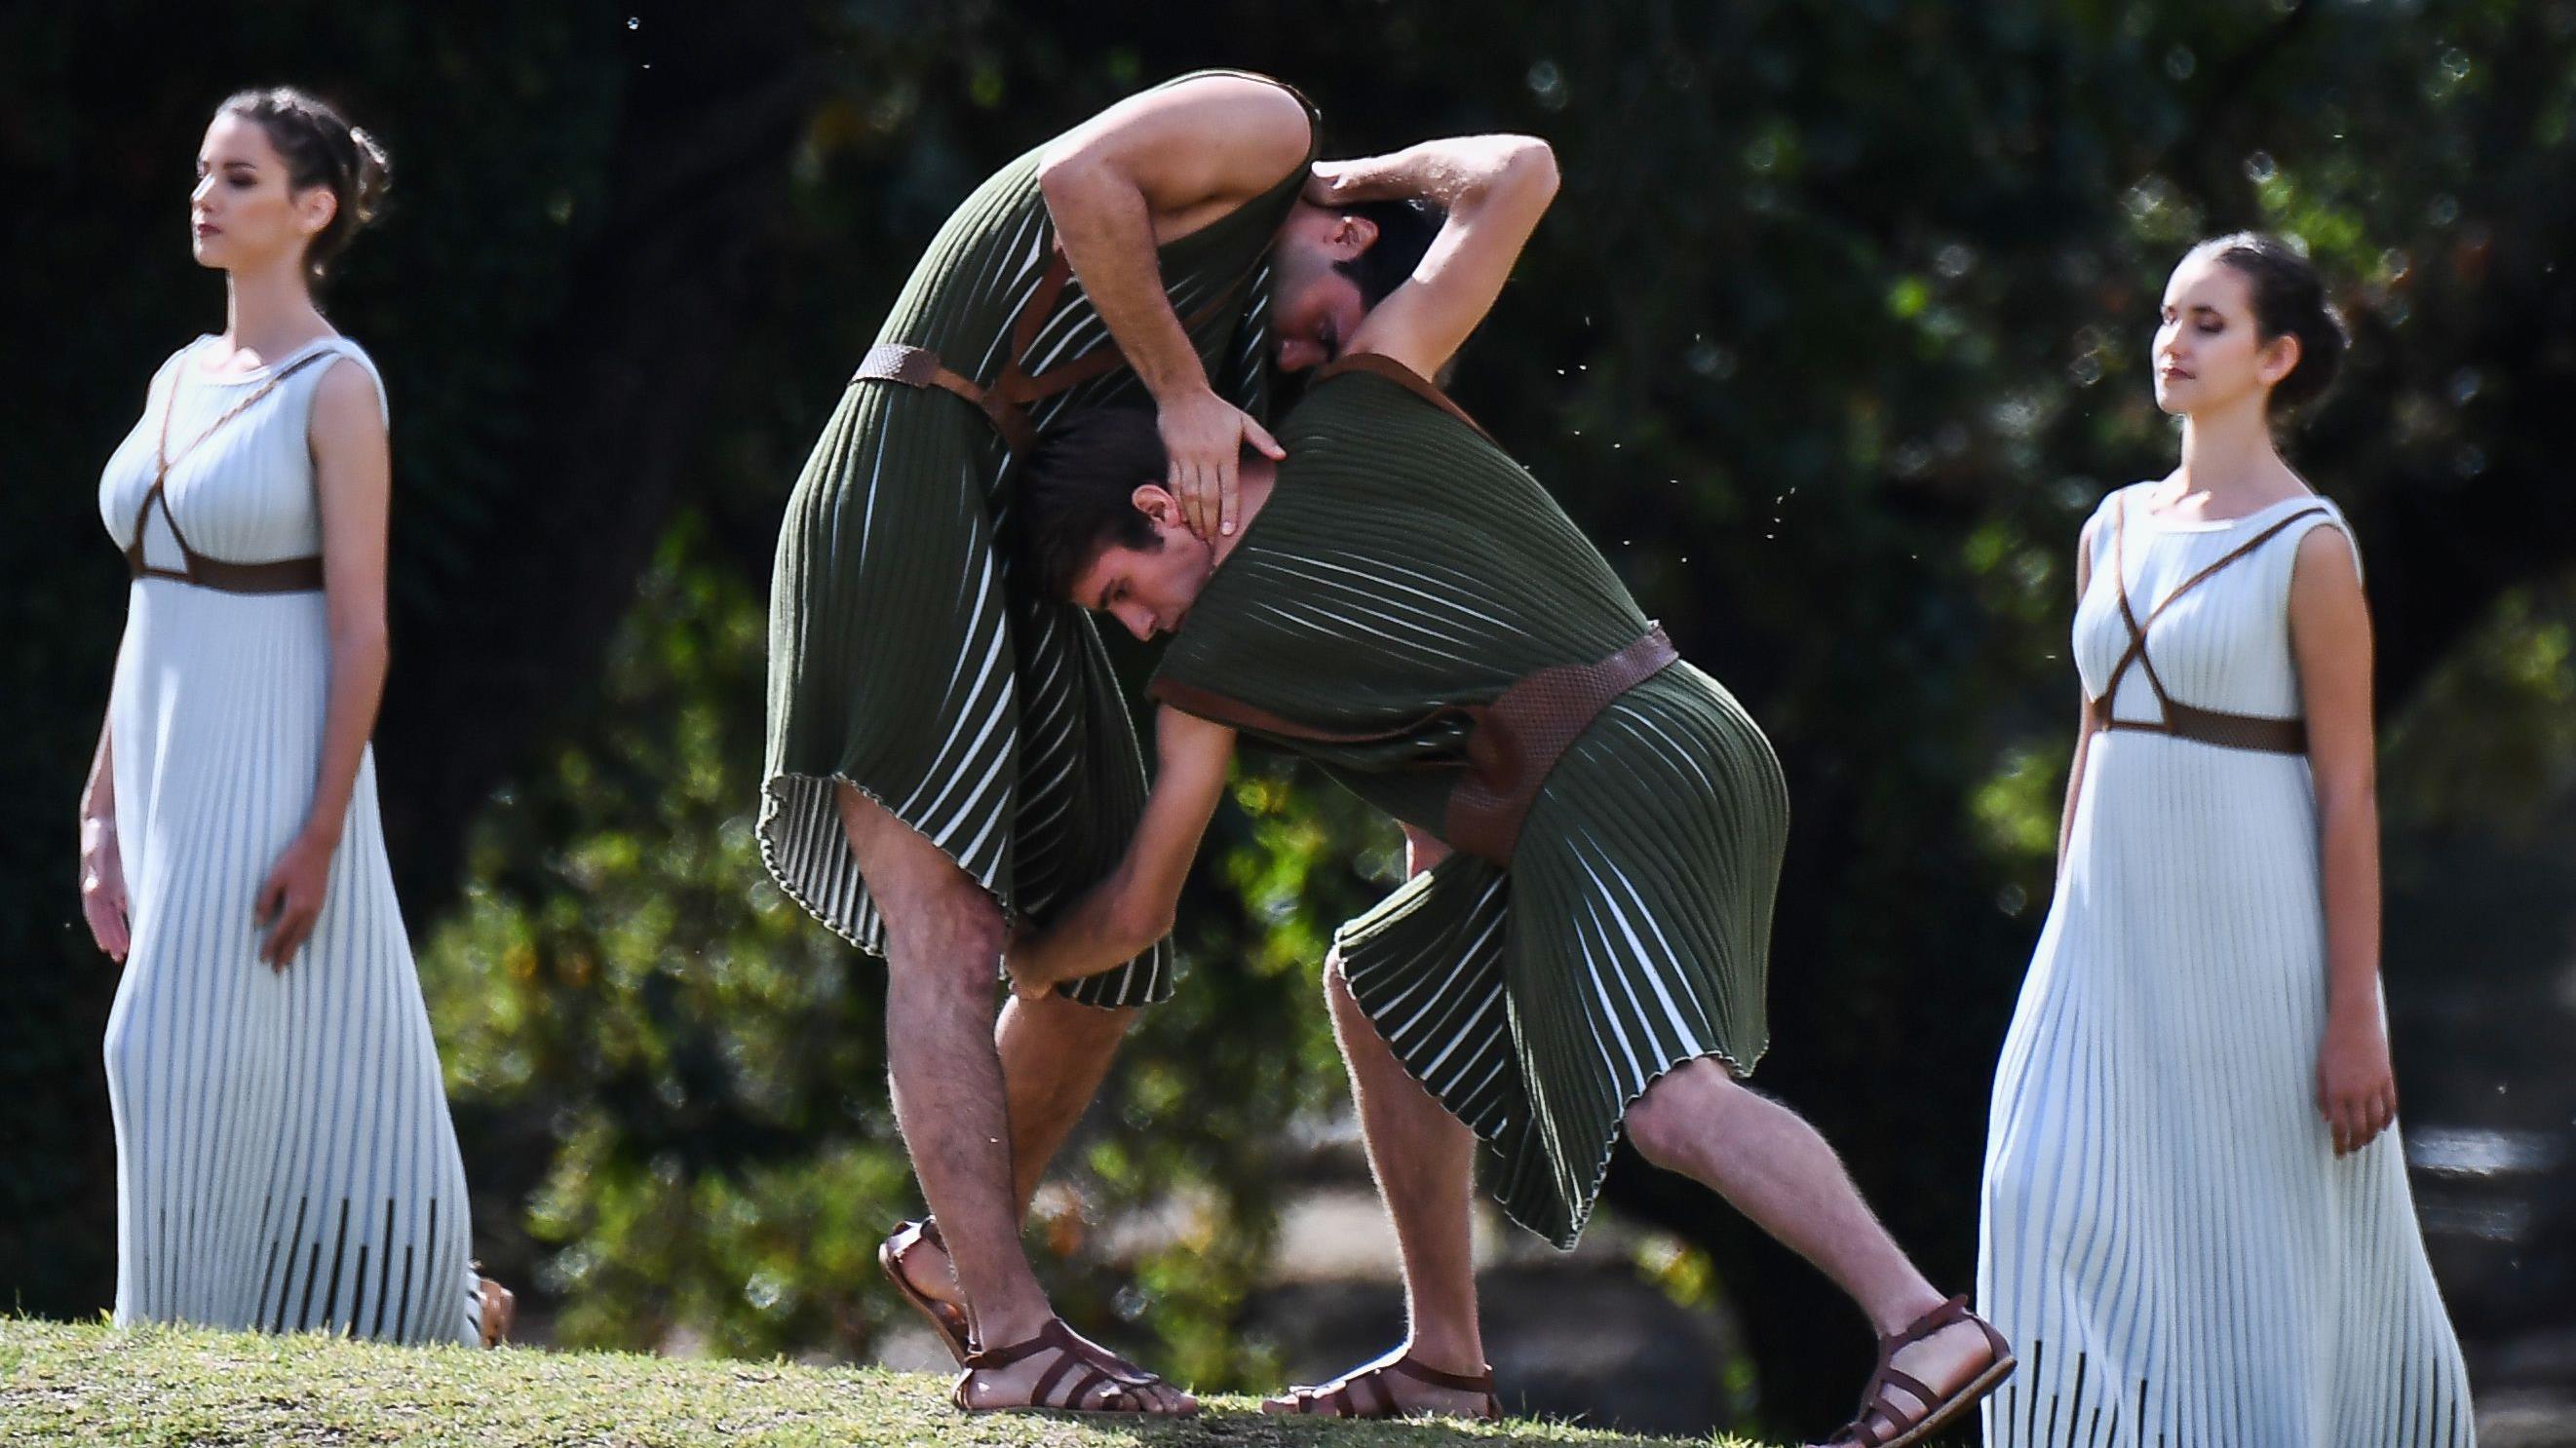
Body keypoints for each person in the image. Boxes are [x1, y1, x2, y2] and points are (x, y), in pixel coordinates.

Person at [1001, 288, 2017, 1443]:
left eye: (1121, 594)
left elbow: (1140, 910)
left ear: (1161, 509)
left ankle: (1923, 1321)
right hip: (1678, 727)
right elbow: (1503, 194)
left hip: (1614, 768)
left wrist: (1030, 959)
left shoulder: (1215, 657)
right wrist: (1356, 199)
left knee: (1672, 1107)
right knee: (1375, 986)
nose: (1137, 629)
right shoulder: (1357, 404)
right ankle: (1444, 1357)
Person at [759, 58, 1557, 1413]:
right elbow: (1082, 177)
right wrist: (1324, 201)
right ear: (1341, 233)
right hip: (916, 467)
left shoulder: (1256, 389)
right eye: (1322, 327)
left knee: (1107, 950)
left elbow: (1523, 182)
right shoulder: (1264, 130)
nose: (1302, 362)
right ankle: (1013, 1341)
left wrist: (1441, 810)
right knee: (946, 927)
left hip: (1026, 539)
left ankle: (958, 1259)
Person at [1977, 234, 2474, 1445]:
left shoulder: (2311, 547)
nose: (2172, 342)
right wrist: (2067, 926)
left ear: (2276, 356)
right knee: (2030, 1187)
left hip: (2260, 947)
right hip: (2108, 941)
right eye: (2167, 317)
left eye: (2208, 322)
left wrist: (2353, 1014)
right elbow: (2091, 740)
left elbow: (2348, 790)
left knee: (2260, 1251)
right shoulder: (2110, 529)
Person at [79, 87, 510, 1346]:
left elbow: (361, 629)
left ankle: (164, 1334)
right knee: (218, 1055)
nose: (205, 197)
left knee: (154, 1043)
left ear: (313, 209)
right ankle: (357, 1314)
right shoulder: (176, 375)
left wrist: (320, 831)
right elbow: (150, 608)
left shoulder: (337, 386)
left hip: (269, 767)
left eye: (240, 178)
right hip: (164, 766)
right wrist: (101, 805)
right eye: (204, 172)